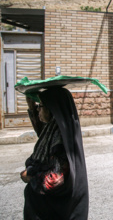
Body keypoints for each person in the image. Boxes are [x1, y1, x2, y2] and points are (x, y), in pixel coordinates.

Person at [20, 87, 89, 219]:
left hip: (54, 209)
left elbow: (56, 178)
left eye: (41, 106)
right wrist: (31, 106)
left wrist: (30, 177)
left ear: (52, 109)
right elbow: (43, 133)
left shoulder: (61, 137)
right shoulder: (55, 127)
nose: (39, 109)